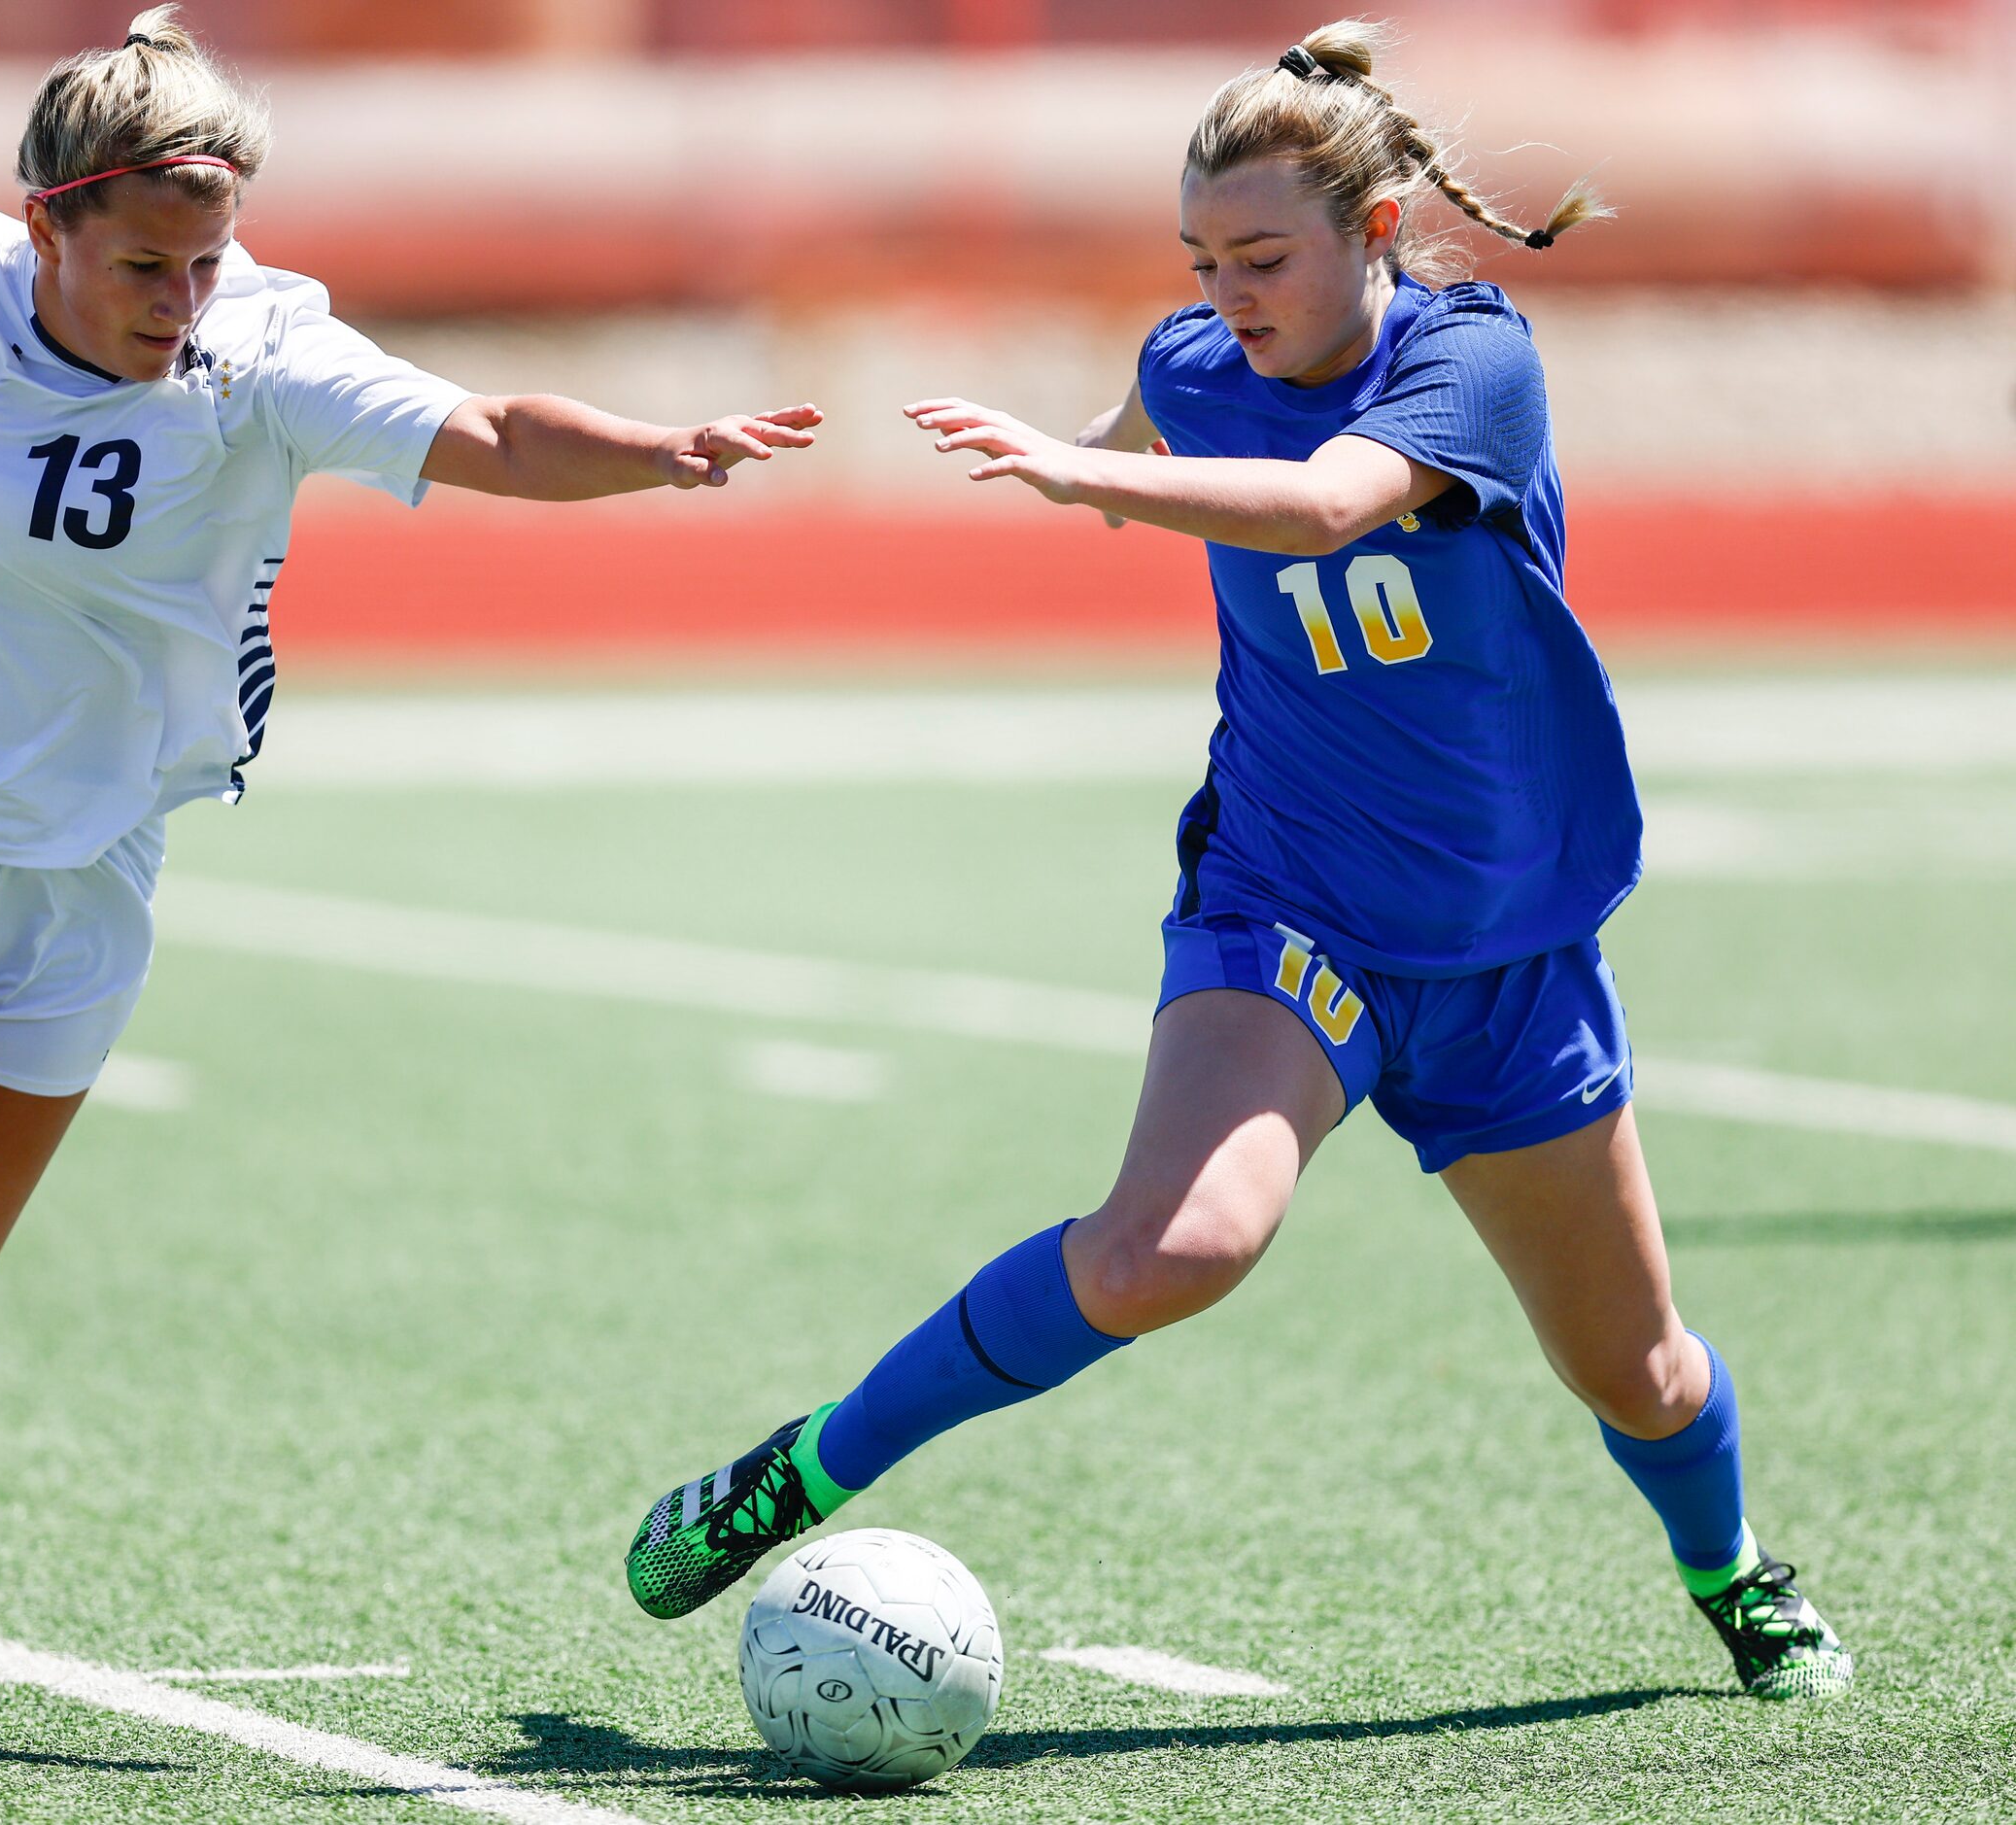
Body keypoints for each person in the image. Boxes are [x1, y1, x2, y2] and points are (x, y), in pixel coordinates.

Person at [0, 7, 822, 1744]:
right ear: (46, 231)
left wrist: (659, 455)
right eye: (146, 264)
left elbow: (495, 428)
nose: (183, 298)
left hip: (83, 875)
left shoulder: (267, 350)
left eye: (207, 261)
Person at [624, 19, 1850, 1704]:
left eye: (1263, 257)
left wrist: (1083, 470)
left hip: (1507, 951)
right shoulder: (1196, 360)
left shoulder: (1474, 360)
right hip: (1291, 904)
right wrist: (1082, 460)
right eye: (1201, 259)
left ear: (1380, 235)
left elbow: (1330, 503)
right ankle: (802, 1469)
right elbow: (1151, 428)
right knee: (1161, 1255)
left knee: (1637, 1370)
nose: (1228, 293)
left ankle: (1734, 1572)